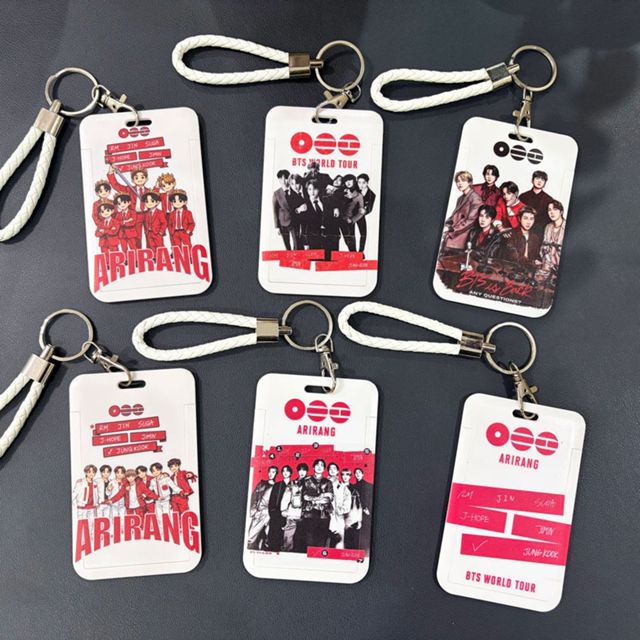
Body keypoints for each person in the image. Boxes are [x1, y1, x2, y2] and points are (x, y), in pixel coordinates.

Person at [443, 171, 483, 250]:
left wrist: (451, 229)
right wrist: (446, 225)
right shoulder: (460, 198)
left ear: (469, 182)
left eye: (463, 180)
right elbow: (454, 216)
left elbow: (471, 221)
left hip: (464, 233)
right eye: (458, 181)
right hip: (455, 231)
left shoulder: (475, 198)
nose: (460, 183)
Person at [301, 459, 334, 549]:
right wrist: (321, 496)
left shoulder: (328, 482)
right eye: (317, 465)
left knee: (321, 543)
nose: (319, 467)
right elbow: (304, 497)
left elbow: (329, 498)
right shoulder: (306, 481)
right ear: (313, 467)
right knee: (309, 542)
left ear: (324, 469)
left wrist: (314, 499)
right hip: (309, 514)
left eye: (321, 465)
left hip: (324, 515)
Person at [247, 466, 277, 550]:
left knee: (267, 534)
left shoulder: (277, 486)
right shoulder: (262, 484)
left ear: (276, 474)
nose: (271, 474)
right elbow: (254, 497)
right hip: (259, 511)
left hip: (269, 513)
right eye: (270, 472)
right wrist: (253, 510)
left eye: (273, 472)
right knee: (252, 534)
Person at [281, 462, 308, 552]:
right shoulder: (293, 483)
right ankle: (287, 552)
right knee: (288, 534)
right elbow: (286, 496)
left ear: (307, 471)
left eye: (304, 470)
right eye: (300, 470)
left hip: (306, 514)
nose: (302, 472)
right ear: (297, 471)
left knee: (302, 537)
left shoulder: (310, 483)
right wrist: (283, 509)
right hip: (293, 512)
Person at [519, 170, 554, 236]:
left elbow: (549, 219)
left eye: (542, 180)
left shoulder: (549, 200)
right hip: (522, 230)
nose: (539, 181)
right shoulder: (523, 196)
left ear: (545, 183)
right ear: (532, 180)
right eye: (537, 178)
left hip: (539, 232)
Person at [267, 465, 292, 551]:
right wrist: (272, 513)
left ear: (291, 473)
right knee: (274, 537)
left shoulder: (293, 485)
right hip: (276, 514)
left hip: (288, 514)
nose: (285, 472)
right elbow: (271, 500)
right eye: (283, 471)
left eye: (287, 471)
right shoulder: (277, 485)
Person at [148, 462, 182, 528]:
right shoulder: (152, 481)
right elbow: (149, 490)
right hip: (157, 501)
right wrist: (144, 495)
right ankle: (161, 529)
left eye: (157, 470)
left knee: (166, 515)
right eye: (153, 471)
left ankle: (168, 528)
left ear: (161, 470)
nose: (155, 472)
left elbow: (173, 486)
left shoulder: (166, 478)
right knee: (159, 515)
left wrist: (180, 491)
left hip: (166, 500)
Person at [327, 462, 352, 549]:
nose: (332, 470)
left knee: (338, 544)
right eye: (330, 469)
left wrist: (340, 510)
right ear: (328, 471)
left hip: (338, 518)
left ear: (338, 471)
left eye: (334, 468)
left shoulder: (342, 486)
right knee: (324, 544)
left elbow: (347, 501)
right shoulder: (323, 483)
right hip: (324, 517)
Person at [540, 199, 566, 271]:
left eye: (555, 209)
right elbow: (543, 247)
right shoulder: (548, 227)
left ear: (561, 212)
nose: (552, 212)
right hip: (547, 264)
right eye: (549, 210)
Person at [273, 169, 295, 250]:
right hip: (283, 222)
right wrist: (277, 226)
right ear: (279, 180)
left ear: (289, 179)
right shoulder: (276, 193)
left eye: (285, 178)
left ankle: (296, 256)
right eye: (281, 178)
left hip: (294, 221)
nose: (283, 181)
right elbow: (275, 211)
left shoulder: (295, 190)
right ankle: (289, 257)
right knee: (287, 245)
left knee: (297, 243)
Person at [72, 464, 98, 531]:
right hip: (82, 507)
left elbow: (96, 494)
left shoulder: (95, 483)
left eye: (93, 472)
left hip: (92, 507)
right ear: (86, 472)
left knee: (91, 524)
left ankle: (90, 536)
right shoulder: (80, 482)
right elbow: (74, 493)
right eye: (89, 472)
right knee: (82, 524)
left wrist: (96, 503)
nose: (91, 474)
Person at [342, 469, 363, 549]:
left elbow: (358, 505)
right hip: (339, 519)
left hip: (351, 519)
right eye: (343, 474)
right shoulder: (337, 487)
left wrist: (359, 520)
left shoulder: (354, 489)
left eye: (347, 474)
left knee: (351, 543)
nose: (345, 477)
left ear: (350, 476)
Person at [356, 173, 376, 254]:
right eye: (359, 182)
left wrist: (364, 211)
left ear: (367, 183)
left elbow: (370, 208)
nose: (361, 185)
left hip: (360, 215)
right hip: (350, 214)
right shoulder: (355, 189)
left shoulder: (371, 194)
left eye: (363, 183)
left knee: (363, 233)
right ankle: (353, 252)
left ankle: (361, 252)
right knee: (350, 233)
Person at [353, 468, 373, 550]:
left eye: (359, 472)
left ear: (362, 474)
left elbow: (371, 498)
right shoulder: (353, 486)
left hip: (365, 512)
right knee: (356, 532)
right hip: (356, 512)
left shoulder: (369, 486)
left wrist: (368, 508)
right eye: (356, 473)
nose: (357, 474)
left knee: (365, 533)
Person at [286, 174, 307, 249]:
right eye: (292, 184)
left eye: (297, 183)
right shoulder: (288, 195)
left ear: (301, 182)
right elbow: (289, 211)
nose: (295, 186)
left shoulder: (307, 190)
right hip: (295, 222)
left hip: (307, 222)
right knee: (297, 243)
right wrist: (298, 209)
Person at [304, 180, 325, 250]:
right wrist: (306, 242)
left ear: (319, 189)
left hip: (327, 239)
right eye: (310, 189)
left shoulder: (325, 201)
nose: (312, 192)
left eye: (315, 189)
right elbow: (304, 226)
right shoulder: (305, 204)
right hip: (313, 240)